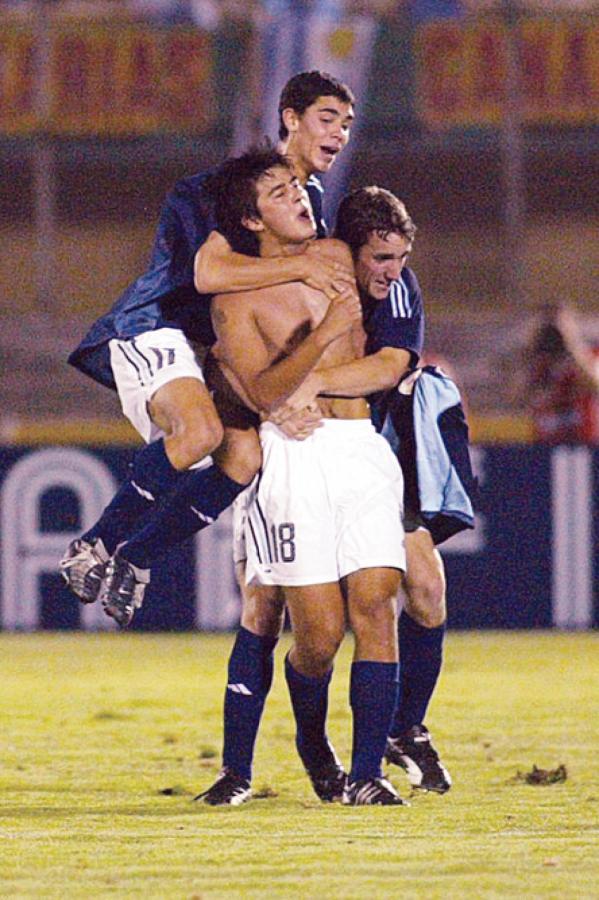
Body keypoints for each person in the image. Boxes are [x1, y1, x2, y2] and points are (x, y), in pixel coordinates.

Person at [198, 186, 465, 806]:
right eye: (282, 193)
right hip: (289, 456)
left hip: (366, 447)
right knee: (305, 629)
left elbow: (393, 362)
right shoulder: (241, 289)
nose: (391, 272)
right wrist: (275, 387)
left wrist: (314, 375)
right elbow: (238, 367)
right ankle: (297, 749)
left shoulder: (369, 278)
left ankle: (378, 760)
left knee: (389, 598)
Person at [60, 70, 356, 628]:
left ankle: (136, 559)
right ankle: (94, 546)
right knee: (198, 433)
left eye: (346, 122)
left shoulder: (310, 201)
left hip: (209, 350)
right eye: (326, 118)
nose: (339, 133)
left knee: (245, 458)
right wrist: (306, 265)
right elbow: (206, 270)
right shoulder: (223, 188)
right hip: (154, 326)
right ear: (290, 120)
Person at [513, 301, 599, 445]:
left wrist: (571, 344)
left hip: (582, 444)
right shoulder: (537, 364)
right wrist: (531, 348)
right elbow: (515, 395)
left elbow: (594, 384)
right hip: (544, 444)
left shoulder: (586, 357)